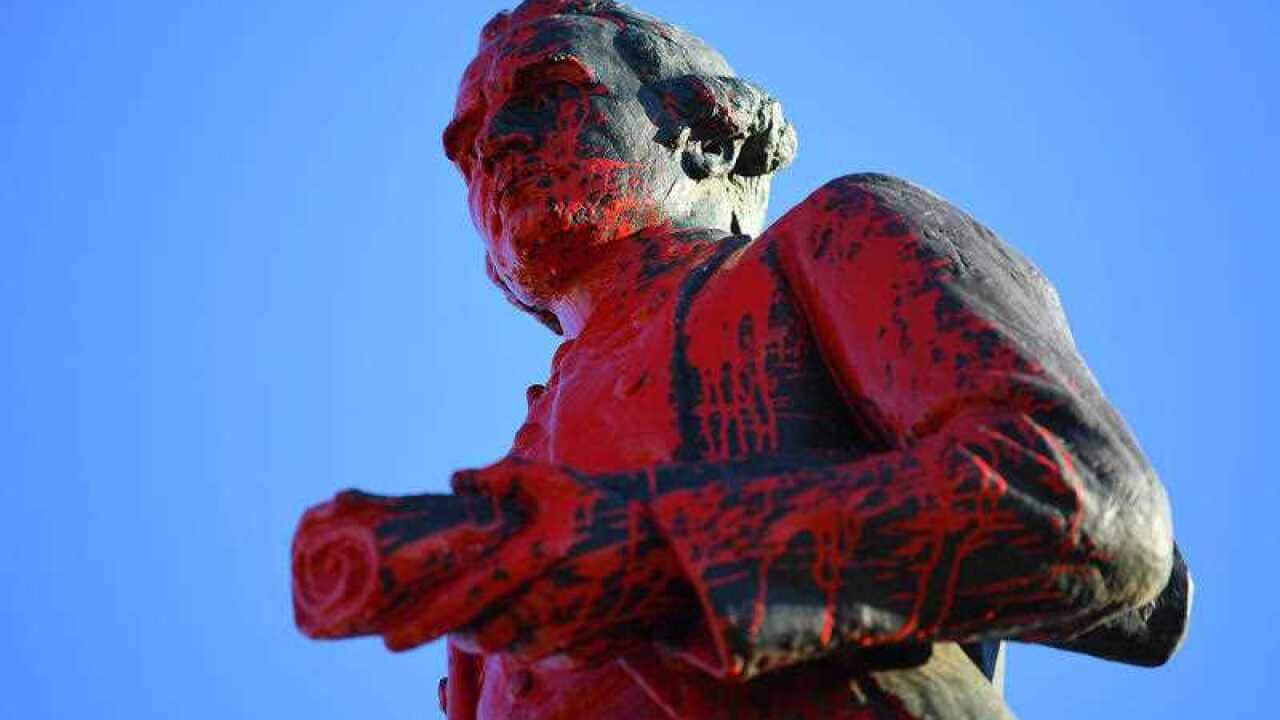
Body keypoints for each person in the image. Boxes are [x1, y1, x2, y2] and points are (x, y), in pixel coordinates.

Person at [290, 1, 1191, 717]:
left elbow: (1086, 513)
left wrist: (641, 556)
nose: (490, 145)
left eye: (546, 90)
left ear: (703, 127)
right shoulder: (514, 474)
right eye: (465, 143)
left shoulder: (835, 239)